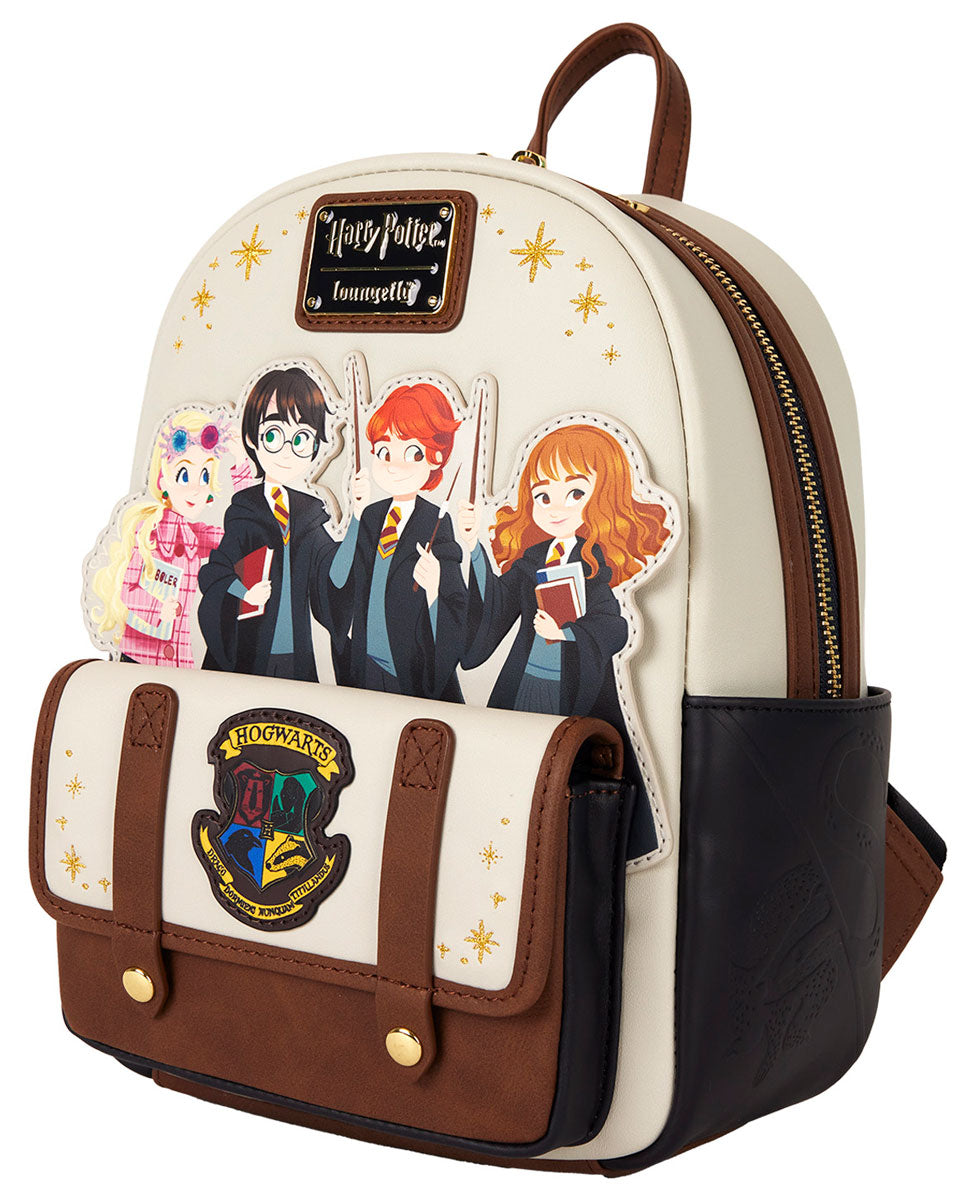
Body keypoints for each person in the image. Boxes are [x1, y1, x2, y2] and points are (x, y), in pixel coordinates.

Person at [457, 423, 673, 848]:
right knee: (510, 778)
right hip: (524, 687)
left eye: (575, 492)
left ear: (604, 495)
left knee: (568, 784)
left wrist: (567, 633)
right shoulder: (531, 559)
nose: (556, 507)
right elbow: (495, 606)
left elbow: (614, 626)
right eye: (542, 495)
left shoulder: (600, 565)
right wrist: (474, 549)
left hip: (574, 690)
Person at [326, 382, 466, 700]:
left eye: (413, 452)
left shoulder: (436, 523)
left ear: (436, 457)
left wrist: (435, 586)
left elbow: (457, 605)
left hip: (409, 671)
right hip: (364, 666)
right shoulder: (370, 515)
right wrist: (355, 515)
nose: (394, 465)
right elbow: (337, 580)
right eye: (385, 452)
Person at [198, 366, 337, 681]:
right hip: (251, 653)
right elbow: (215, 573)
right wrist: (243, 593)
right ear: (252, 438)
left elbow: (333, 574)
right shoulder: (245, 511)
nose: (287, 452)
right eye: (273, 435)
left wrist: (357, 519)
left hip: (296, 658)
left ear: (315, 445)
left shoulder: (311, 515)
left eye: (301, 438)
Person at [89, 410, 249, 667]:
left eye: (204, 477)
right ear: (163, 480)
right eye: (184, 475)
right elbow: (128, 590)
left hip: (180, 663)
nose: (195, 489)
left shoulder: (197, 536)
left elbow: (242, 533)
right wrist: (157, 609)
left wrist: (240, 463)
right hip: (138, 655)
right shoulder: (147, 531)